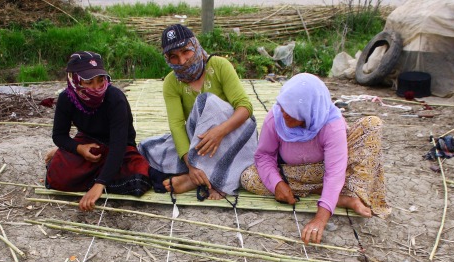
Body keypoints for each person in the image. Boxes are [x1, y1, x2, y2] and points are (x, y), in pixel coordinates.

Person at [240, 73, 390, 244]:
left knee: (371, 124)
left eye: (291, 110)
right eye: (283, 107)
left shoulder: (331, 123)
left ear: (308, 109)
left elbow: (334, 172)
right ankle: (336, 196)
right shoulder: (276, 118)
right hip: (295, 174)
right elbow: (264, 155)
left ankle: (340, 195)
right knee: (249, 178)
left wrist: (320, 219)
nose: (284, 113)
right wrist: (277, 184)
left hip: (333, 168)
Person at [139, 24, 257, 199]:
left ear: (195, 45)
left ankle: (206, 179)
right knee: (148, 148)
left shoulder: (219, 65)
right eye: (174, 57)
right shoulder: (171, 82)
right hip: (202, 142)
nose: (182, 61)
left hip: (232, 134)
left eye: (186, 51)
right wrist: (191, 164)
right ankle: (200, 174)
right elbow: (177, 125)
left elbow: (245, 107)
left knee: (205, 102)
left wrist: (219, 131)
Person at [46, 51, 150, 211]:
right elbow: (59, 135)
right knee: (58, 174)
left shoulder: (115, 98)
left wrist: (100, 184)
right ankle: (76, 163)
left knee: (138, 178)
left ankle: (93, 177)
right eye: (89, 82)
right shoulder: (66, 99)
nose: (96, 88)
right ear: (74, 80)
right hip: (88, 145)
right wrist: (78, 148)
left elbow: (119, 145)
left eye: (100, 80)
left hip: (119, 149)